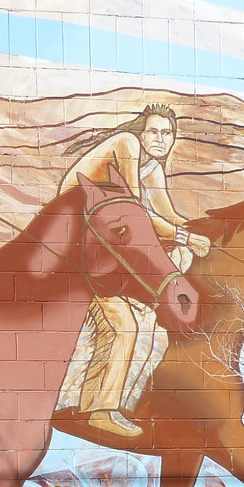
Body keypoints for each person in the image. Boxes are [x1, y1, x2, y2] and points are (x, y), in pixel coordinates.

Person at [58, 103, 208, 438]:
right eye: (154, 131)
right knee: (121, 324)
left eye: (168, 134)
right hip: (76, 238)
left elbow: (168, 216)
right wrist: (184, 237)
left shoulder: (151, 168)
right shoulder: (127, 144)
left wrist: (203, 234)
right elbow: (135, 212)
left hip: (105, 242)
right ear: (141, 131)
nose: (161, 139)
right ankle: (100, 410)